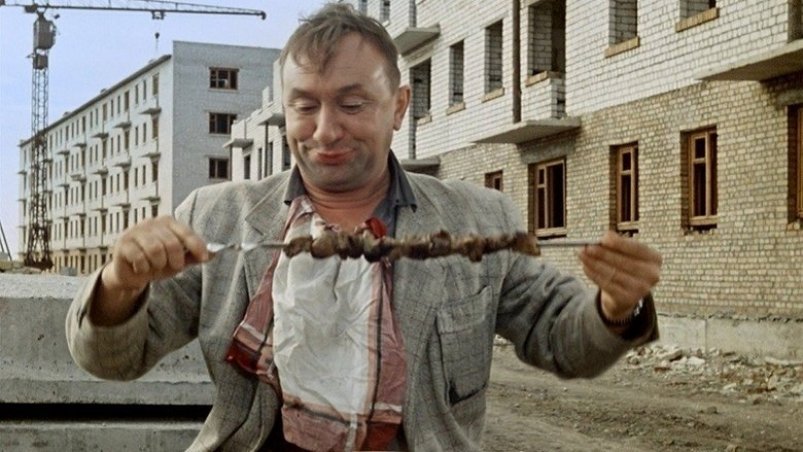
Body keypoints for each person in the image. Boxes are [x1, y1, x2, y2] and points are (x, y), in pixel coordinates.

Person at [66, 3, 662, 451]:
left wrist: (615, 307)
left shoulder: (480, 219)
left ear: (398, 106)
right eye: (305, 106)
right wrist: (120, 282)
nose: (325, 131)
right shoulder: (216, 216)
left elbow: (564, 342)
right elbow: (111, 359)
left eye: (352, 105)